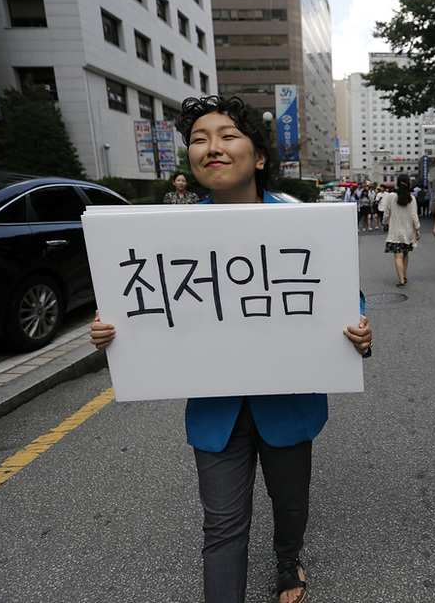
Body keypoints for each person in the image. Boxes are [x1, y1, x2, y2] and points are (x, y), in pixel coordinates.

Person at [90, 96, 373, 603]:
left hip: (288, 405)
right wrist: (114, 333)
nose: (211, 147)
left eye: (226, 135)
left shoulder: (301, 221)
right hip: (215, 413)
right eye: (199, 139)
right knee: (221, 527)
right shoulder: (165, 234)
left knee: (290, 504)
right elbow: (145, 305)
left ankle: (289, 561)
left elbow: (341, 299)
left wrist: (359, 332)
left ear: (259, 157)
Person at [383, 174, 420, 287]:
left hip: (395, 231)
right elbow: (414, 215)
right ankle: (403, 275)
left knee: (398, 256)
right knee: (405, 254)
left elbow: (387, 213)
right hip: (408, 231)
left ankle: (401, 280)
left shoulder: (391, 197)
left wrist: (384, 223)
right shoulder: (412, 198)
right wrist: (417, 229)